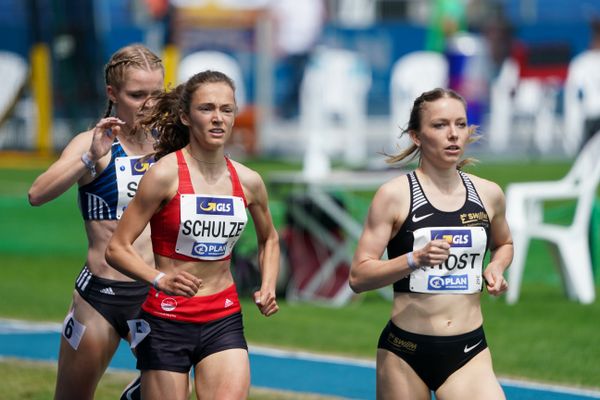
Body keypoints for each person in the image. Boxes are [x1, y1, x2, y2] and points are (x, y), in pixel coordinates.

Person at [105, 69, 280, 400]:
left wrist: (268, 284)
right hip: (167, 318)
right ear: (185, 116)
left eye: (226, 110)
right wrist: (159, 279)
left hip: (223, 315)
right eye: (207, 109)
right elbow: (116, 248)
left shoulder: (248, 181)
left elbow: (269, 239)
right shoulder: (163, 175)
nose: (218, 119)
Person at [349, 88, 513, 400]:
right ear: (416, 136)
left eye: (460, 124)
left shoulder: (489, 193)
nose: (453, 134)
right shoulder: (394, 195)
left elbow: (504, 243)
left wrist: (496, 266)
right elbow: (358, 277)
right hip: (404, 353)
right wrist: (414, 259)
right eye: (439, 125)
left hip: (469, 351)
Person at [28, 44, 164, 400]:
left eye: (157, 94)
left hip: (152, 293)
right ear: (112, 94)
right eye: (137, 95)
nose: (149, 105)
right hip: (100, 296)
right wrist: (90, 156)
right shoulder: (93, 145)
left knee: (168, 391)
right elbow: (37, 193)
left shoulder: (171, 149)